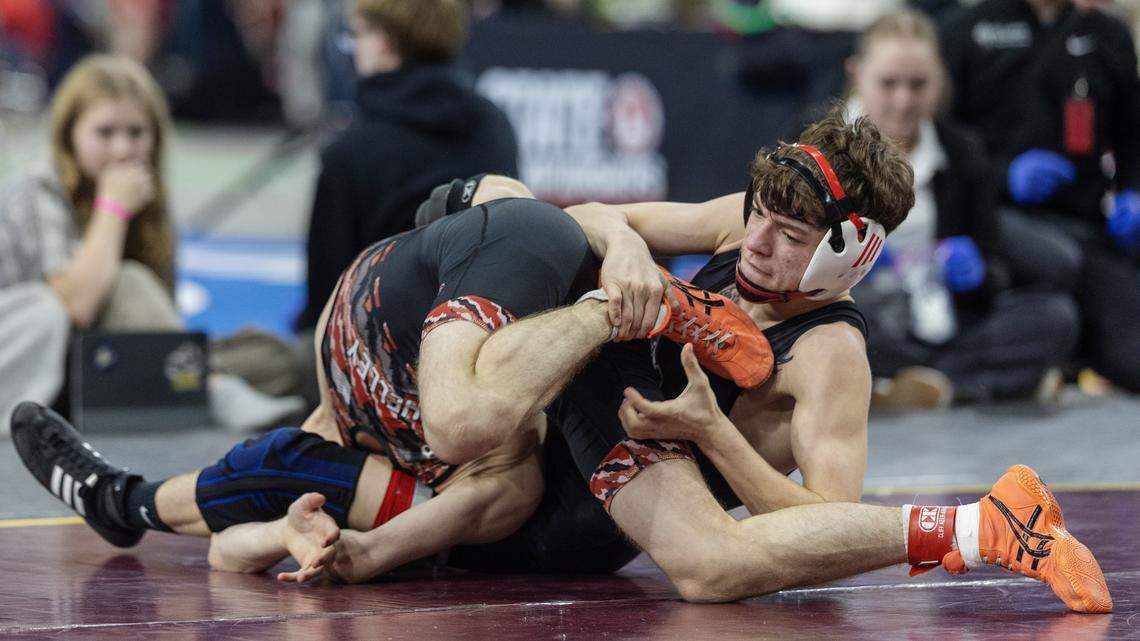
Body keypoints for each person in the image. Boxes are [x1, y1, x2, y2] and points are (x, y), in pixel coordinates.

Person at [12, 112, 1111, 614]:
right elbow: (584, 213)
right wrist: (633, 252)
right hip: (574, 418)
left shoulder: (828, 354)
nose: (759, 243)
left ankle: (982, 522)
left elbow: (807, 529)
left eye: (787, 233)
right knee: (311, 470)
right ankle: (121, 496)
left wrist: (713, 430)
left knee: (713, 564)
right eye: (761, 216)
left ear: (850, 251)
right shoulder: (744, 220)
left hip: (596, 477)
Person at [0, 54, 302, 433]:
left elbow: (161, 319)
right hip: (35, 357)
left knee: (277, 359)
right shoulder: (38, 191)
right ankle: (213, 387)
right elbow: (75, 305)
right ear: (69, 135)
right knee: (128, 280)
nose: (123, 149)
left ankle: (205, 381)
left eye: (136, 133)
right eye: (105, 133)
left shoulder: (147, 196)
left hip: (108, 357)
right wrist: (112, 209)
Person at [845, 9, 1080, 405]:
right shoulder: (819, 149)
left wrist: (977, 275)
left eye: (918, 84)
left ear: (938, 80)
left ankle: (920, 385)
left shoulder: (963, 152)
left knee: (1055, 317)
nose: (903, 100)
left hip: (946, 320)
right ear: (856, 74)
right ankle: (978, 383)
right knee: (837, 320)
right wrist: (851, 271)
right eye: (888, 84)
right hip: (870, 315)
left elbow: (992, 270)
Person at [942, 0, 1140, 391]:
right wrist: (1002, 174)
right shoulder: (967, 30)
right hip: (996, 218)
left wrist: (1134, 192)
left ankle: (1066, 358)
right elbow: (944, 138)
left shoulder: (1107, 34)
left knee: (1132, 358)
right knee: (1057, 261)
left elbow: (1132, 134)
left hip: (1085, 225)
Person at [294, 0, 518, 334]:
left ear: (384, 42)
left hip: (380, 349)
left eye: (358, 35)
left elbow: (326, 301)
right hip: (484, 335)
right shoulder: (494, 126)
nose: (354, 49)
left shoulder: (349, 153)